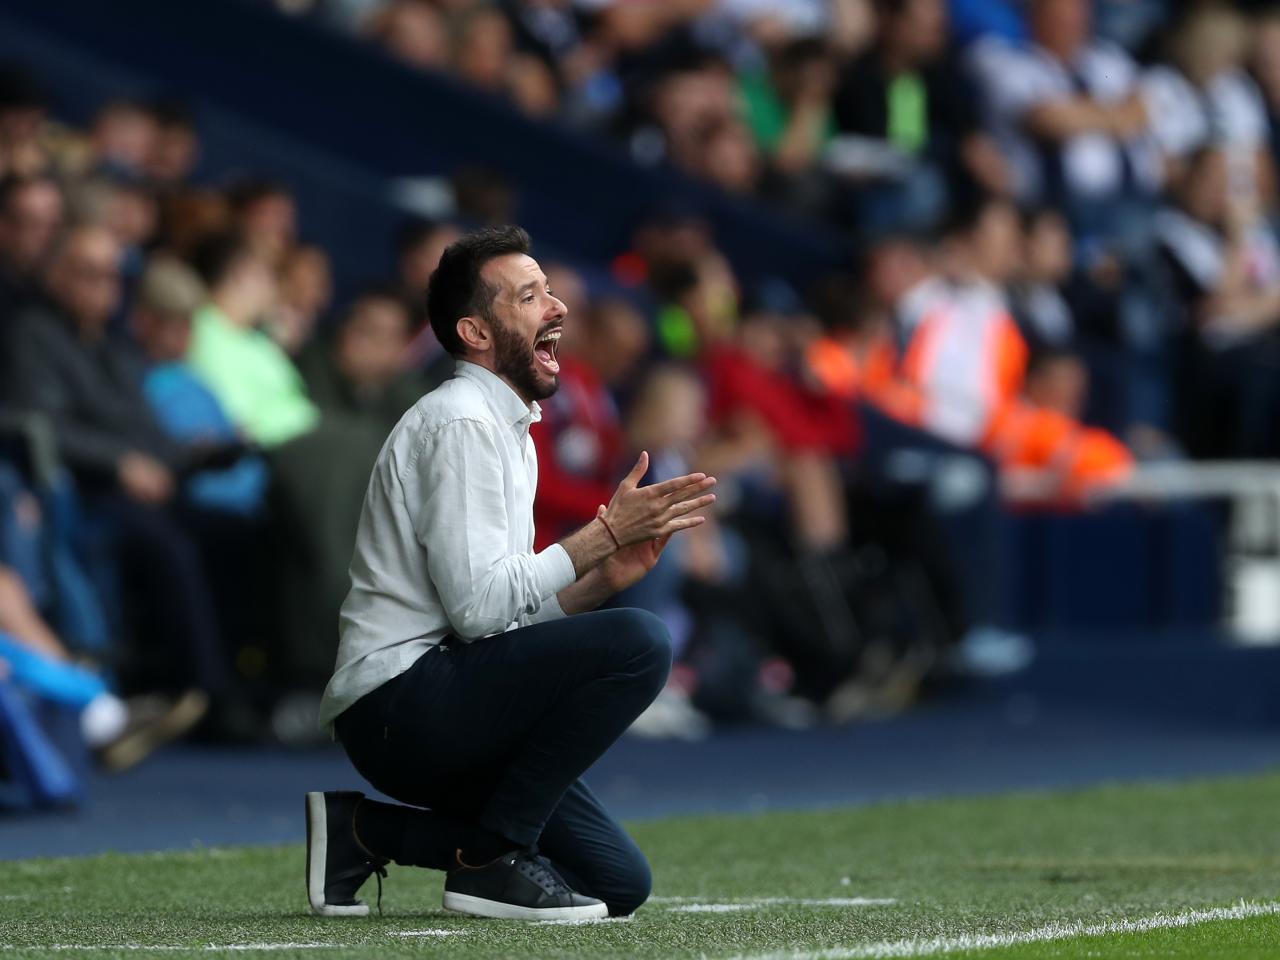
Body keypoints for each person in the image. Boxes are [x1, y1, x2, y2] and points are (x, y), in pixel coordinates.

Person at [307, 226, 716, 921]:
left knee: (616, 881)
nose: (556, 307)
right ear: (477, 331)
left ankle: (364, 833)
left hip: (448, 693)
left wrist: (598, 581)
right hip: (401, 705)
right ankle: (490, 864)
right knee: (640, 644)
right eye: (530, 296)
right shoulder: (463, 422)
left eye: (550, 290)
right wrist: (604, 532)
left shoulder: (506, 425)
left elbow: (499, 620)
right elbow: (476, 613)